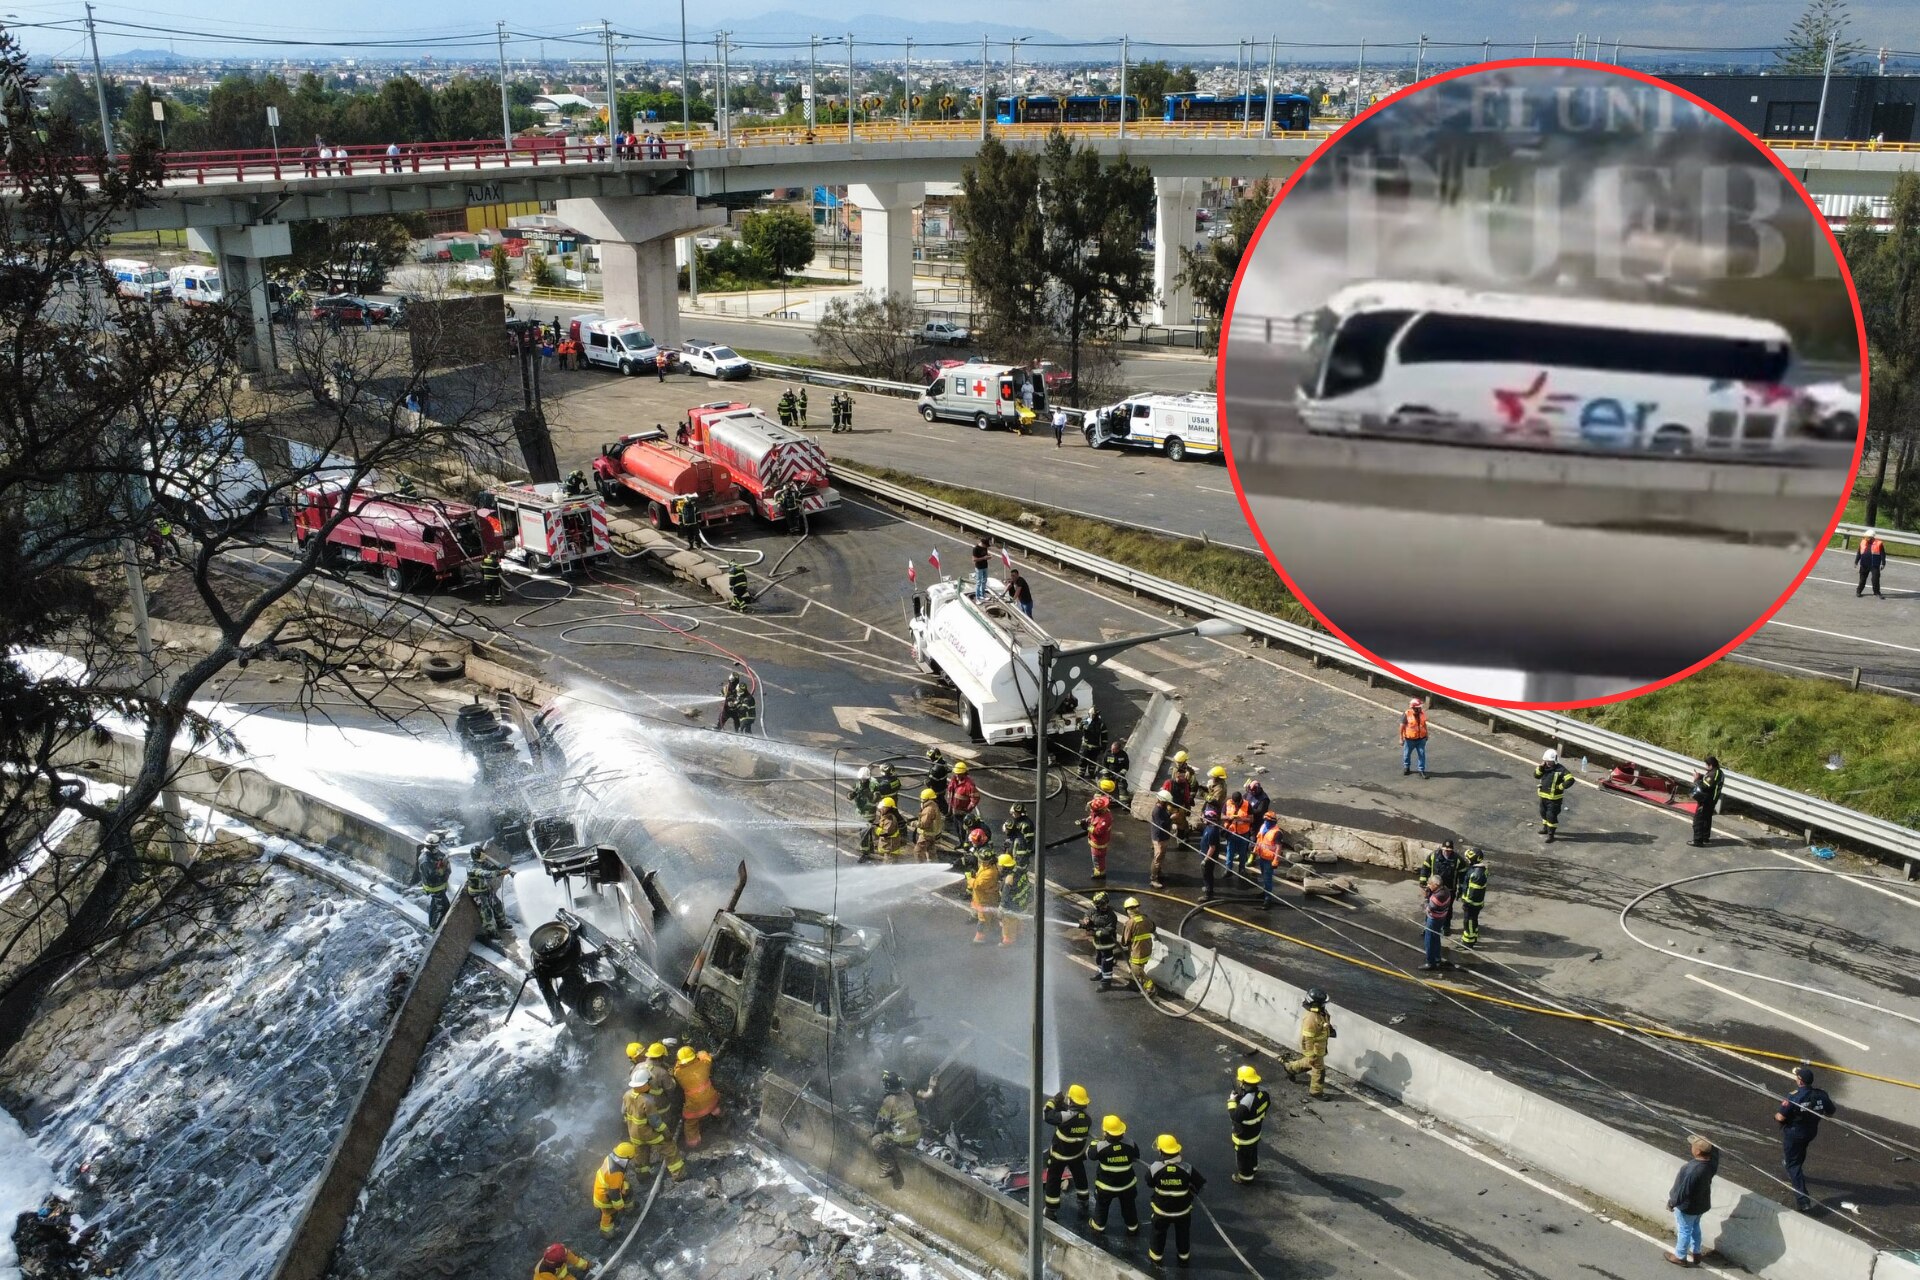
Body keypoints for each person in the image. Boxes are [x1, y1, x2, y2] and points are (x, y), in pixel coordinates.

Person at [1775, 1064, 1835, 1211]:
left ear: (1800, 1081)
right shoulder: (1821, 1095)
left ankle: (1803, 1200)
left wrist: (1776, 1115)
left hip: (1794, 1134)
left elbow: (1781, 1117)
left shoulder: (1794, 1096)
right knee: (1798, 1155)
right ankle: (1792, 1167)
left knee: (1793, 1165)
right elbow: (1830, 1112)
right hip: (1810, 1132)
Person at [1146, 1133, 1205, 1265]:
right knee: (1183, 1234)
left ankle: (1156, 1257)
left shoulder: (1155, 1168)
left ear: (1161, 1151)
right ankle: (1183, 1256)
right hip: (1182, 1212)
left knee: (1158, 1233)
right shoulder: (1187, 1168)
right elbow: (1199, 1183)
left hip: (1162, 1212)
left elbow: (1149, 1182)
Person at [1042, 1084, 1094, 1219]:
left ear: (1071, 1101)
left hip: (1060, 1155)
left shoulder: (1065, 1117)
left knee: (1053, 1179)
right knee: (1080, 1175)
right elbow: (1072, 1115)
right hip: (1076, 1154)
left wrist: (1053, 1101)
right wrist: (1063, 1106)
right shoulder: (1087, 1119)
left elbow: (1047, 1115)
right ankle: (1084, 1200)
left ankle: (1050, 1210)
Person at [1667, 1135, 1719, 1266]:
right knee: (1695, 1227)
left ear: (1697, 1151)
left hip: (1687, 1207)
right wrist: (1710, 1144)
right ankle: (1696, 1252)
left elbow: (1683, 1191)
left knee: (1684, 1230)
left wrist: (1672, 1202)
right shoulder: (1711, 1165)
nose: (1691, 1147)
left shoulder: (1692, 1170)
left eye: (1693, 1145)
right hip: (1701, 1205)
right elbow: (1716, 1154)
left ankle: (1680, 1256)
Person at [626, 1077, 688, 1180]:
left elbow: (624, 1112)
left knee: (640, 1153)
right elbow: (655, 1122)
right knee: (669, 1148)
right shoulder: (647, 1100)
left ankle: (642, 1176)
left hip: (634, 1133)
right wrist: (666, 1132)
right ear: (644, 1085)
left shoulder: (627, 1095)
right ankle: (679, 1174)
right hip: (648, 1133)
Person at [1089, 1114, 1141, 1236]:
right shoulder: (1131, 1144)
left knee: (1102, 1207)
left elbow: (1091, 1155)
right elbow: (1136, 1156)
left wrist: (1094, 1143)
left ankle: (1098, 1227)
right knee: (1129, 1207)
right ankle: (1132, 1227)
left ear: (1106, 1133)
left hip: (1106, 1187)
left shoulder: (1100, 1147)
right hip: (1127, 1186)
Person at [871, 1070, 923, 1182]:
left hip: (903, 1138)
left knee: (876, 1141)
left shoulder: (889, 1100)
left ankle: (888, 1166)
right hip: (917, 1138)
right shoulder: (907, 1095)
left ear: (886, 1086)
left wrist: (874, 1132)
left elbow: (880, 1122)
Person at [1283, 988, 1334, 1097]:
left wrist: (1330, 1030)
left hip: (1320, 1047)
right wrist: (1311, 1054)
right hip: (1314, 1049)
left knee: (1310, 1062)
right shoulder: (1311, 1018)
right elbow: (1306, 1040)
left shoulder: (1320, 1012)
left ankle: (1291, 1068)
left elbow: (1324, 1023)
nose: (1325, 1005)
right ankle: (1316, 1092)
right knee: (1319, 1069)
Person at [1227, 1064, 1271, 1184]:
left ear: (1243, 1083)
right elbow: (1257, 1105)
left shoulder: (1245, 1104)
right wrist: (1241, 1098)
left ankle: (1245, 1177)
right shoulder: (1264, 1094)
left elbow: (1235, 1117)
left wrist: (1231, 1101)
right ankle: (1254, 1168)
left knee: (1243, 1158)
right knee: (1252, 1152)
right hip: (1255, 1133)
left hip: (1243, 1137)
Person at [673, 1043, 722, 1147]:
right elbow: (705, 1055)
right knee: (714, 1102)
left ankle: (693, 1143)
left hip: (695, 1108)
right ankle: (718, 1113)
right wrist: (699, 1053)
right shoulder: (704, 1064)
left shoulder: (678, 1073)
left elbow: (676, 1066)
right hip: (712, 1100)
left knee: (690, 1123)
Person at [466, 845, 511, 940]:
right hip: (477, 892)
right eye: (481, 855)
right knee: (486, 912)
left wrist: (500, 867)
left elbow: (490, 867)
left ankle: (502, 923)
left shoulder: (481, 862)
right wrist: (500, 873)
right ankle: (492, 932)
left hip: (486, 889)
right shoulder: (472, 866)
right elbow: (485, 873)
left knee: (497, 904)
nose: (484, 857)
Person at [965, 833, 1001, 943]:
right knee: (992, 917)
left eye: (981, 860)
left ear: (986, 861)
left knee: (983, 920)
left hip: (985, 900)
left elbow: (978, 885)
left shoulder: (989, 873)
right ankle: (996, 932)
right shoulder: (987, 867)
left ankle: (980, 938)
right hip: (984, 899)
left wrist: (969, 878)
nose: (980, 861)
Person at [593, 1143, 636, 1235]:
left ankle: (629, 1208)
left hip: (603, 1189)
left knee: (627, 1188)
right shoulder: (615, 1172)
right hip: (604, 1197)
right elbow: (613, 1193)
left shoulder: (610, 1158)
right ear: (626, 1158)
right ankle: (606, 1232)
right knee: (610, 1214)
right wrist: (619, 1206)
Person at [1080, 890, 1120, 986]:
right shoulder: (1093, 910)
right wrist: (1086, 919)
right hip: (1098, 943)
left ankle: (1106, 982)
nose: (1104, 907)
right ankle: (1100, 973)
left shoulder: (1111, 915)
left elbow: (1109, 929)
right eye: (1101, 905)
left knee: (1107, 961)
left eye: (1105, 904)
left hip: (1107, 943)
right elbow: (1088, 914)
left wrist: (1096, 932)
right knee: (1098, 958)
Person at [1421, 840, 1461, 934]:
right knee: (1431, 908)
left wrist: (1461, 888)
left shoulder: (1457, 859)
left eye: (1449, 850)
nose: (1447, 852)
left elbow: (1463, 873)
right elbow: (1425, 867)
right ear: (1442, 848)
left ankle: (1446, 927)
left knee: (1448, 908)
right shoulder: (1433, 856)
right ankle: (1427, 927)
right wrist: (1423, 881)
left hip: (1449, 889)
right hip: (1434, 888)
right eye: (1445, 850)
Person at [1535, 749, 1574, 842]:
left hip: (1554, 800)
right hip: (1543, 796)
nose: (1548, 763)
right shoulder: (1543, 767)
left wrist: (1560, 787)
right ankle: (1545, 828)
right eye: (1546, 761)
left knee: (1551, 816)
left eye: (1550, 761)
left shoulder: (1560, 769)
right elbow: (1536, 775)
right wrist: (1540, 768)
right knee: (1543, 813)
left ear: (1555, 760)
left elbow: (1570, 780)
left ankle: (1551, 835)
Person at [415, 832, 452, 929]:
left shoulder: (434, 853)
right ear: (430, 847)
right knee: (442, 907)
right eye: (435, 846)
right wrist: (444, 871)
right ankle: (434, 928)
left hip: (440, 886)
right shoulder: (425, 860)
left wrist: (445, 865)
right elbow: (433, 876)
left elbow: (441, 857)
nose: (437, 848)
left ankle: (435, 925)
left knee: (435, 905)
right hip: (434, 887)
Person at [1252, 812, 1285, 910]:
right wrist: (1255, 850)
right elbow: (1259, 839)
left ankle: (1268, 899)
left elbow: (1278, 848)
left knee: (1268, 878)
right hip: (1262, 856)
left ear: (1273, 821)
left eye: (1268, 820)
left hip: (1269, 859)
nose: (1266, 822)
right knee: (1263, 876)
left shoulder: (1277, 832)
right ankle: (1265, 892)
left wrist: (1276, 860)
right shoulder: (1263, 827)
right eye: (1265, 820)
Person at [1689, 756, 1724, 847]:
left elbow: (1705, 786)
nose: (1705, 767)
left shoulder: (1714, 774)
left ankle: (1697, 841)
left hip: (1707, 800)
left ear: (1711, 765)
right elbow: (1708, 781)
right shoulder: (1718, 772)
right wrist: (1701, 776)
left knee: (1698, 819)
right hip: (1712, 800)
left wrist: (1696, 779)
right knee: (1706, 819)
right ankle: (1705, 838)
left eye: (1706, 765)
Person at [1124, 897, 1156, 992]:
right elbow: (1153, 928)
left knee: (1135, 968)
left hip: (1137, 950)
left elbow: (1125, 941)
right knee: (1140, 966)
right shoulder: (1146, 918)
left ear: (1128, 910)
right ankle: (1134, 984)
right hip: (1147, 948)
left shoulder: (1130, 923)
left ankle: (1149, 984)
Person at [1079, 792, 1113, 880]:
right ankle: (1098, 868)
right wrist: (1086, 820)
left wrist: (1087, 827)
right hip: (1095, 840)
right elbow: (1092, 816)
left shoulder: (1104, 820)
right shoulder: (1100, 813)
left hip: (1099, 842)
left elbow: (1098, 831)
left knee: (1097, 857)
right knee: (1097, 857)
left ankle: (1100, 872)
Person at [1000, 852, 1031, 945]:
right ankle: (1020, 936)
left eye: (1000, 866)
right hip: (1023, 904)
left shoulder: (1009, 879)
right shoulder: (1020, 872)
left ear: (1004, 867)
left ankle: (1008, 941)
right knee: (1018, 921)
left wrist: (1001, 908)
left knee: (1008, 923)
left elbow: (1005, 896)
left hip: (1012, 907)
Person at [1458, 847, 1488, 947]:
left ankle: (1468, 942)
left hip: (1472, 904)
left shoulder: (1477, 873)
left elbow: (1473, 892)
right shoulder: (1478, 870)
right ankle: (1473, 937)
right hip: (1476, 903)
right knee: (1473, 920)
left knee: (1469, 922)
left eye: (1468, 859)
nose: (1467, 860)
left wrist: (1466, 903)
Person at [1420, 876, 1451, 971]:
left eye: (1430, 884)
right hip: (1442, 917)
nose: (1428, 885)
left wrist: (1426, 897)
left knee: (1429, 940)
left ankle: (1430, 962)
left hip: (1434, 919)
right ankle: (1437, 958)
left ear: (1436, 885)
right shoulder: (1445, 890)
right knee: (1436, 937)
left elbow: (1428, 908)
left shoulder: (1437, 897)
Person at [1165, 751, 1197, 840]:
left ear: (1184, 761)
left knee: (1182, 820)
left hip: (1183, 799)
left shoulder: (1189, 773)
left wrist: (1189, 800)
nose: (1178, 764)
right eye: (1177, 762)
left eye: (1180, 762)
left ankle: (1183, 836)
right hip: (1173, 798)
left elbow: (1193, 788)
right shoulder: (1175, 770)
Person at [1195, 800, 1224, 901]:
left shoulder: (1212, 831)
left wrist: (1205, 859)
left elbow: (1212, 847)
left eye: (1205, 817)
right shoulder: (1209, 826)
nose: (1203, 818)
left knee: (1207, 873)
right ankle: (1208, 887)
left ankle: (1208, 893)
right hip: (1205, 853)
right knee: (1207, 873)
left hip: (1209, 857)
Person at [1148, 788, 1176, 889]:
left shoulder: (1163, 808)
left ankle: (1158, 872)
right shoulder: (1157, 811)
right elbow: (1162, 824)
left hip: (1164, 836)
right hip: (1159, 837)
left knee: (1162, 856)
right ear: (1162, 801)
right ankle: (1153, 879)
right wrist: (1171, 818)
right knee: (1158, 857)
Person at [1222, 790, 1254, 874]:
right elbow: (1222, 816)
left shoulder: (1247, 805)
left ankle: (1242, 869)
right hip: (1231, 832)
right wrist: (1229, 818)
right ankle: (1228, 869)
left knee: (1242, 853)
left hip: (1243, 833)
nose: (1235, 804)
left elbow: (1251, 819)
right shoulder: (1228, 803)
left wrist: (1241, 819)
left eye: (1236, 803)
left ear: (1240, 800)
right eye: (1233, 802)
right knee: (1230, 851)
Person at [945, 761, 979, 837]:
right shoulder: (954, 780)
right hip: (954, 810)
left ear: (963, 773)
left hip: (962, 812)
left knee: (962, 829)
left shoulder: (969, 785)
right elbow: (950, 792)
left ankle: (964, 844)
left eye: (958, 774)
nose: (956, 775)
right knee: (957, 828)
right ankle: (961, 842)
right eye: (956, 773)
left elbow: (975, 798)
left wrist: (967, 809)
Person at [1399, 697, 1429, 777]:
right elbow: (1402, 726)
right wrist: (1401, 738)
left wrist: (1426, 734)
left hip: (1421, 739)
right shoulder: (1407, 714)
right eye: (1418, 707)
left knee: (1422, 754)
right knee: (1407, 754)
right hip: (1410, 740)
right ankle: (1406, 767)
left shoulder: (1422, 713)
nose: (1420, 709)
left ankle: (1421, 770)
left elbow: (1424, 724)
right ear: (1413, 708)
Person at [870, 795, 906, 861]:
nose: (880, 809)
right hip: (886, 846)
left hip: (890, 849)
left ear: (888, 808)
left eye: (883, 808)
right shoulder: (886, 816)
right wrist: (876, 825)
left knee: (889, 868)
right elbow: (882, 824)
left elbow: (885, 832)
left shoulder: (890, 819)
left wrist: (875, 829)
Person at [914, 787, 944, 861]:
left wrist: (914, 823)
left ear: (928, 799)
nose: (921, 800)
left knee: (918, 851)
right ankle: (933, 866)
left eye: (923, 799)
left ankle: (921, 867)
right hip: (932, 833)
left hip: (926, 834)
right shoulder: (933, 805)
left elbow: (924, 824)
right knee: (930, 851)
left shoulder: (928, 809)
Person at [1855, 530, 1886, 598]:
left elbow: (1882, 554)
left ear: (1871, 537)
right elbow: (1859, 553)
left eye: (1867, 537)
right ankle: (1858, 591)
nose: (1865, 538)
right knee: (1862, 579)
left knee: (1875, 579)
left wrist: (1883, 563)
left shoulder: (1879, 543)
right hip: (1864, 564)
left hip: (1874, 565)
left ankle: (1876, 592)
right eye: (1865, 537)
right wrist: (1856, 562)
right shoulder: (1862, 542)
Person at [1079, 710, 1108, 780]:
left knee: (1093, 761)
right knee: (1082, 760)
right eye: (1091, 714)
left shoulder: (1101, 724)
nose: (1092, 716)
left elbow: (1104, 736)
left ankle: (1091, 773)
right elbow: (1079, 728)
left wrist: (1104, 746)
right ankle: (1080, 774)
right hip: (1085, 745)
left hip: (1095, 746)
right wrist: (1081, 725)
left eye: (1093, 714)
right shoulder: (1085, 721)